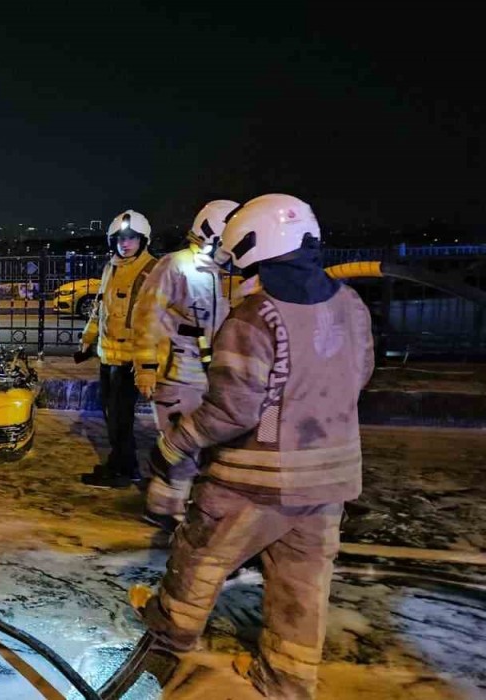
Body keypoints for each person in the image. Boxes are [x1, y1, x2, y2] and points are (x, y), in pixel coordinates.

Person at [131, 194, 374, 699]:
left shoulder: (254, 318)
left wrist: (175, 446)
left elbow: (232, 410)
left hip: (255, 477)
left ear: (251, 243)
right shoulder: (350, 304)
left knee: (200, 555)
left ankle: (169, 633)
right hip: (330, 478)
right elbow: (360, 375)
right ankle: (286, 679)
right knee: (301, 583)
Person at [131, 200, 239, 527]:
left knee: (198, 445)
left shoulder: (219, 272)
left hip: (207, 375)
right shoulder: (175, 266)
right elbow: (147, 316)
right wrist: (146, 368)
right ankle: (163, 510)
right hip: (175, 373)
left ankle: (175, 507)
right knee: (179, 442)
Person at [75, 210, 158, 488]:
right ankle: (121, 463)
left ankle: (125, 469)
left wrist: (146, 368)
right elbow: (101, 309)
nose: (126, 243)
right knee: (111, 415)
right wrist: (87, 339)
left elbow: (150, 323)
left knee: (121, 419)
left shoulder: (150, 271)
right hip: (108, 356)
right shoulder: (111, 267)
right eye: (121, 238)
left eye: (132, 238)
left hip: (128, 362)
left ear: (143, 240)